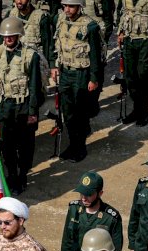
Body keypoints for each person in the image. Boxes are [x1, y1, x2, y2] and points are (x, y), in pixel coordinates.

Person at [0, 16, 44, 192]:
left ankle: (22, 176)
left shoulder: (30, 56)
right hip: (6, 105)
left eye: (12, 35)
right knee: (6, 145)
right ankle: (12, 175)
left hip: (24, 106)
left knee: (25, 145)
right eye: (6, 36)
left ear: (19, 35)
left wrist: (33, 112)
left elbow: (35, 85)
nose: (8, 39)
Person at [51, 0, 102, 162]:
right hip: (66, 72)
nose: (67, 9)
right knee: (68, 113)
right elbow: (55, 45)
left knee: (80, 113)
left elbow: (95, 54)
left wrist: (94, 78)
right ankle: (73, 144)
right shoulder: (60, 21)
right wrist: (54, 65)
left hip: (82, 74)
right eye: (64, 6)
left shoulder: (90, 26)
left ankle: (80, 148)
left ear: (80, 7)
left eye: (71, 6)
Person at [115, 0, 148, 126]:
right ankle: (136, 110)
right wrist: (120, 31)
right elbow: (122, 12)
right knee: (130, 78)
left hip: (146, 41)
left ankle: (144, 112)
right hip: (129, 40)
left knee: (144, 77)